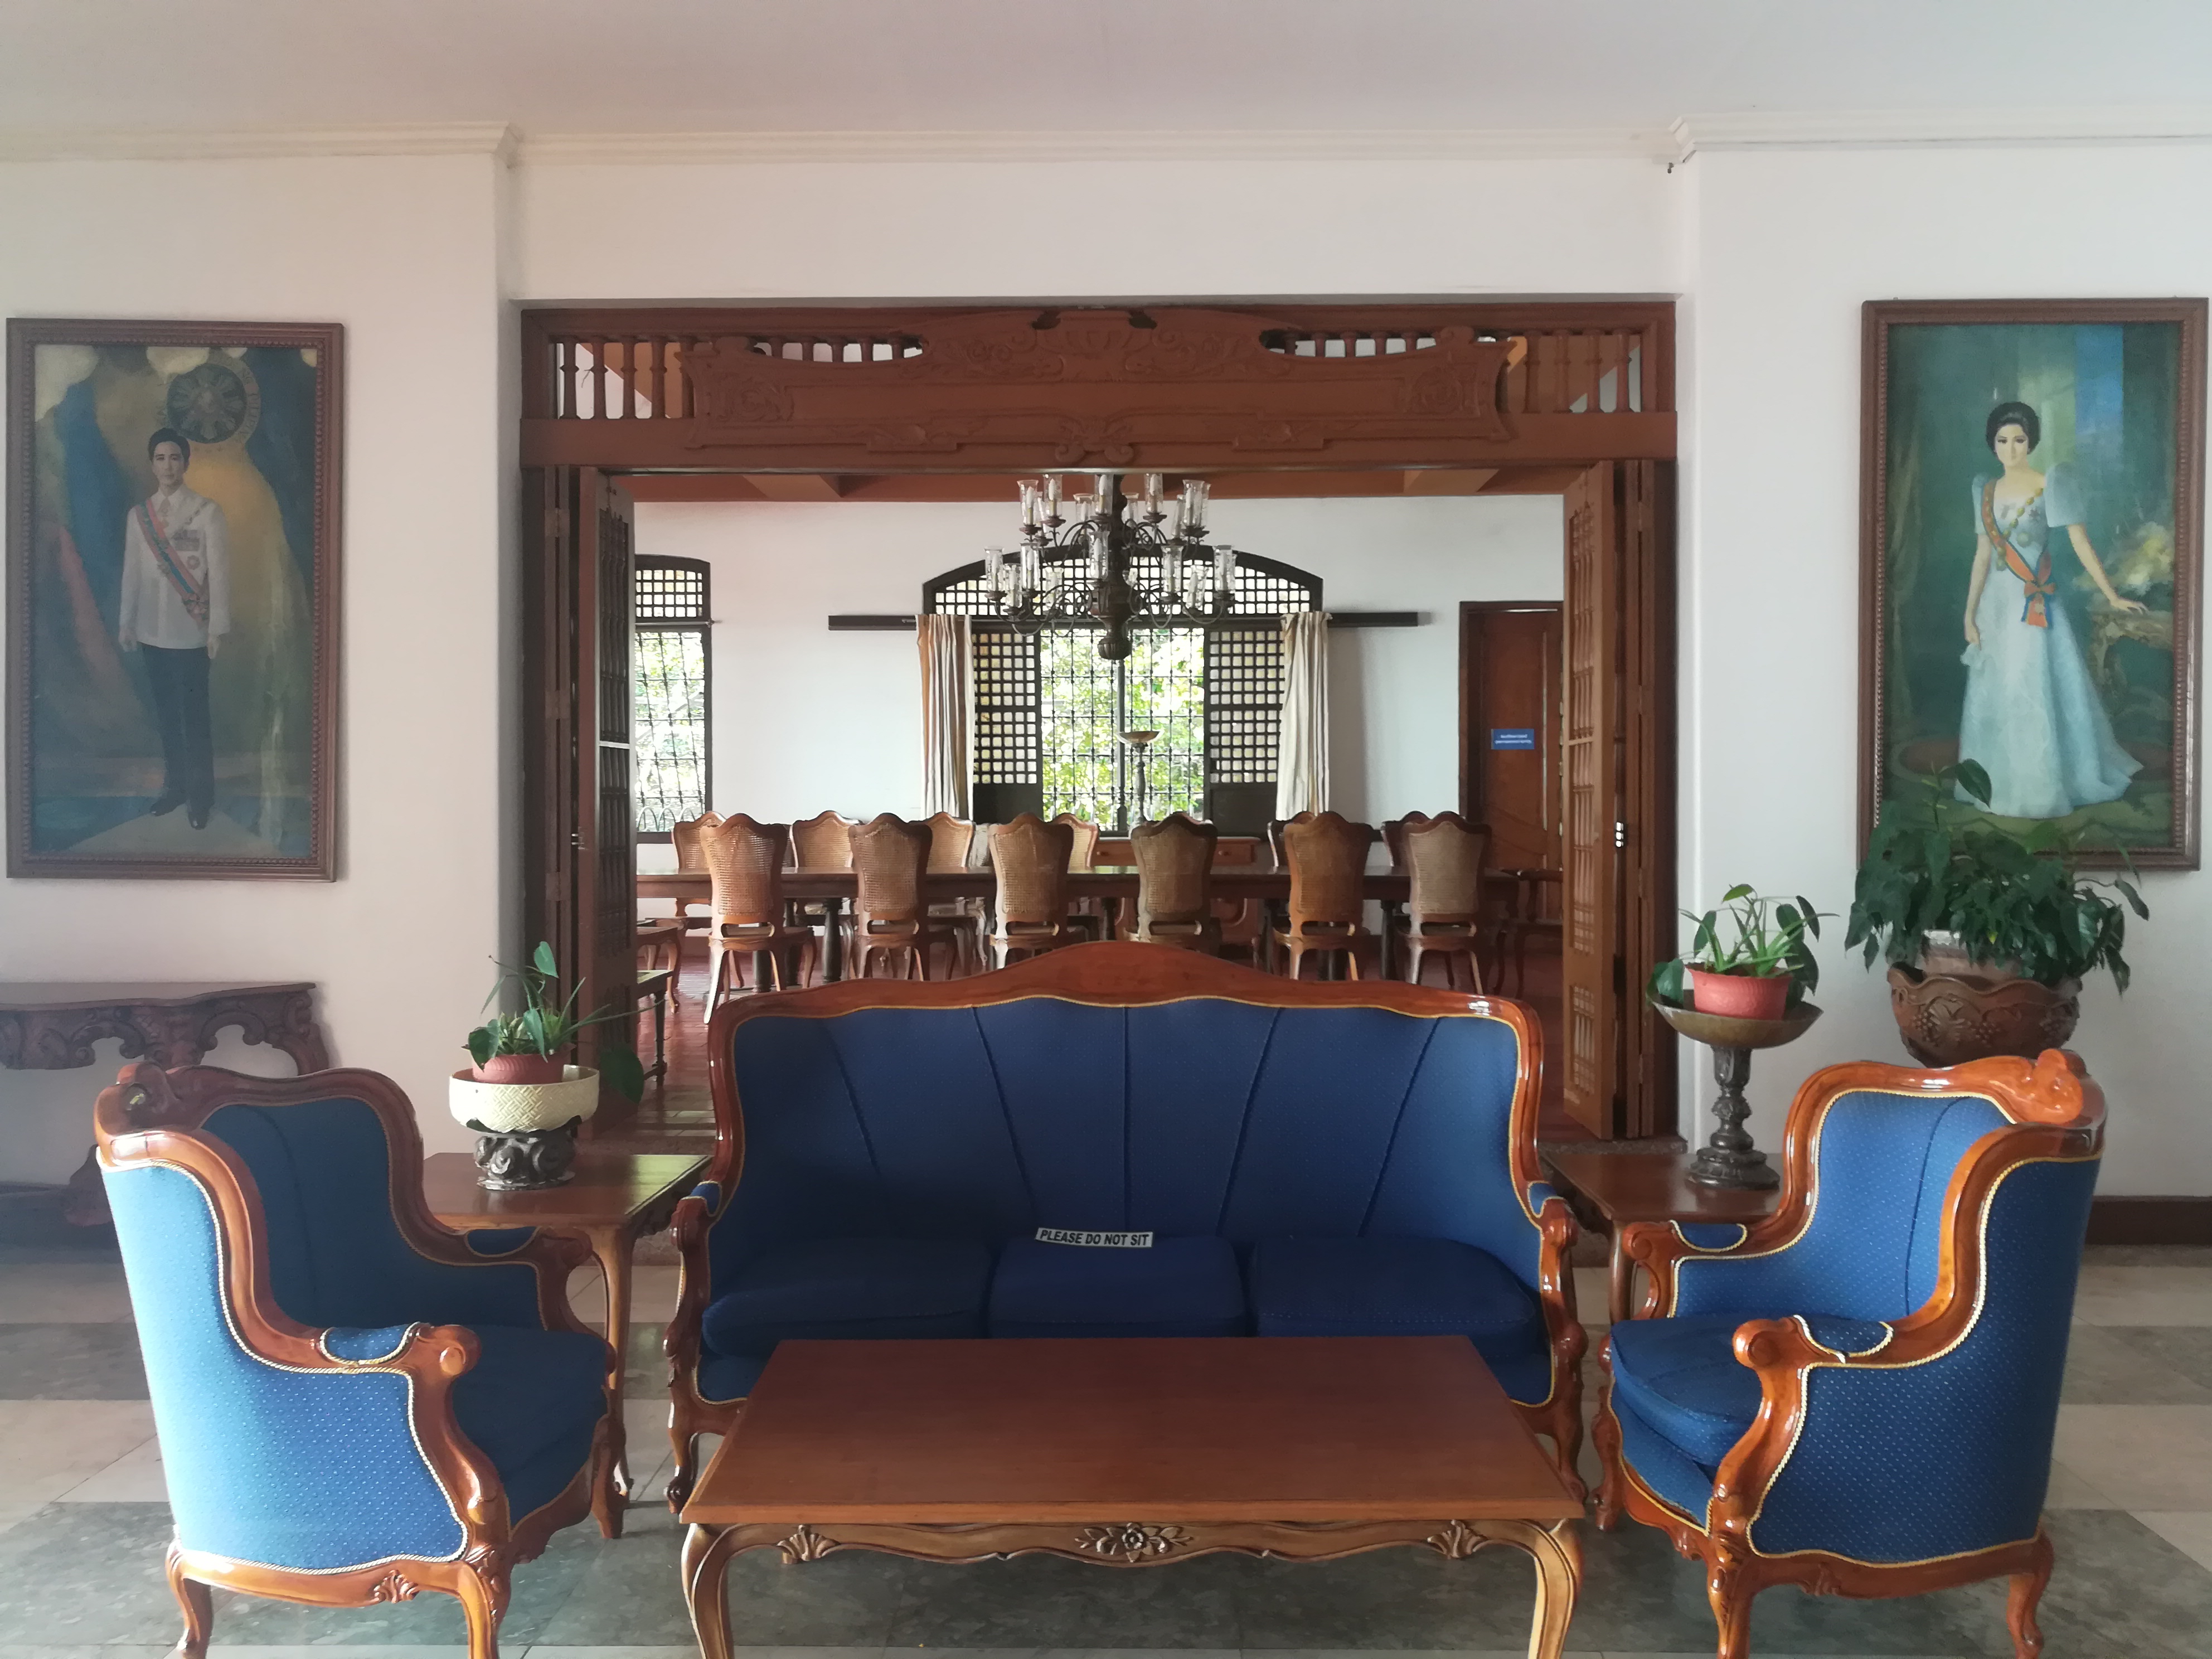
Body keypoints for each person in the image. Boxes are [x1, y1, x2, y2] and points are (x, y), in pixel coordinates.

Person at [1954, 400, 2147, 821]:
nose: (2011, 449)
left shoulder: (2049, 485)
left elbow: (2080, 542)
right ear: (1992, 444)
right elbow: (1982, 556)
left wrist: (2112, 595)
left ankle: (2043, 783)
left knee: (2034, 684)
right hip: (1996, 607)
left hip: (2035, 604)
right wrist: (1969, 614)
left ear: (2031, 442)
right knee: (2001, 688)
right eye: (2002, 441)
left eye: (2019, 440)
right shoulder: (1985, 491)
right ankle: (1998, 779)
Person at [118, 427, 230, 829]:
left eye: (175, 458)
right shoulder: (139, 517)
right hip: (151, 630)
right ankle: (176, 788)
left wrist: (217, 628)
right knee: (167, 716)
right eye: (161, 458)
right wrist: (127, 622)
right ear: (152, 464)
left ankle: (201, 797)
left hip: (192, 632)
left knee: (194, 719)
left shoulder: (207, 512)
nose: (168, 466)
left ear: (186, 462)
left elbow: (220, 574)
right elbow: (132, 573)